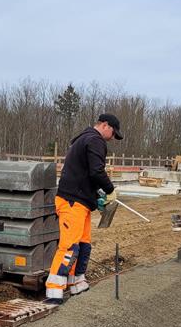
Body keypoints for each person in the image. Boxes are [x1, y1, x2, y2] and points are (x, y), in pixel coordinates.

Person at [45, 113, 123, 304]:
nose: (113, 138)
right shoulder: (94, 140)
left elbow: (84, 174)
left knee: (83, 244)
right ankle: (54, 289)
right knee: (69, 245)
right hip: (72, 201)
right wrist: (110, 190)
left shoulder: (85, 140)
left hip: (80, 201)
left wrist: (96, 196)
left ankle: (76, 282)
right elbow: (96, 171)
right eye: (113, 133)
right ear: (105, 125)